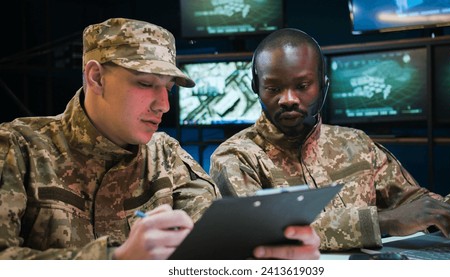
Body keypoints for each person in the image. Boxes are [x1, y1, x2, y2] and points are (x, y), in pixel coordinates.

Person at [0, 18, 320, 260]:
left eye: (167, 87)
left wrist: (268, 253)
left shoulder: (165, 154)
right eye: (145, 83)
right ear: (96, 77)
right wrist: (115, 261)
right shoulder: (18, 149)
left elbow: (211, 237)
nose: (163, 104)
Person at [209, 28, 450, 251]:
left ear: (324, 86)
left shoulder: (357, 143)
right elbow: (264, 230)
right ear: (256, 86)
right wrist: (385, 221)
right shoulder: (235, 156)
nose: (288, 99)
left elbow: (412, 204)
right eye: (273, 88)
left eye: (302, 85)